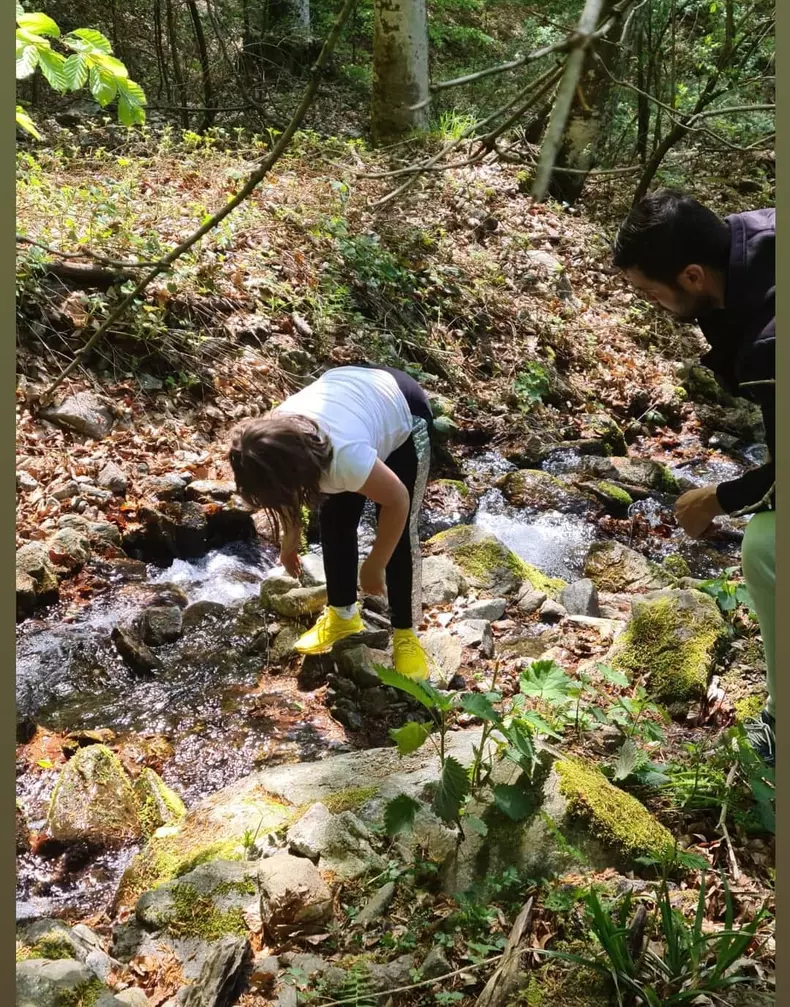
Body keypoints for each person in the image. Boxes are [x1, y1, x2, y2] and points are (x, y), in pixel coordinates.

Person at [613, 189, 775, 765]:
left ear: (692, 275)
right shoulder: (753, 241)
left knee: (765, 545)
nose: (650, 303)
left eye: (650, 292)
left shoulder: (770, 340)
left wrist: (718, 497)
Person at [229, 364, 433, 680]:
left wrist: (375, 563)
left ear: (299, 473)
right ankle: (343, 615)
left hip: (404, 412)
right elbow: (283, 491)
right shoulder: (271, 444)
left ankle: (405, 633)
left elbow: (398, 501)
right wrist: (290, 537)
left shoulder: (344, 458)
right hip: (354, 403)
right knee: (335, 520)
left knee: (398, 533)